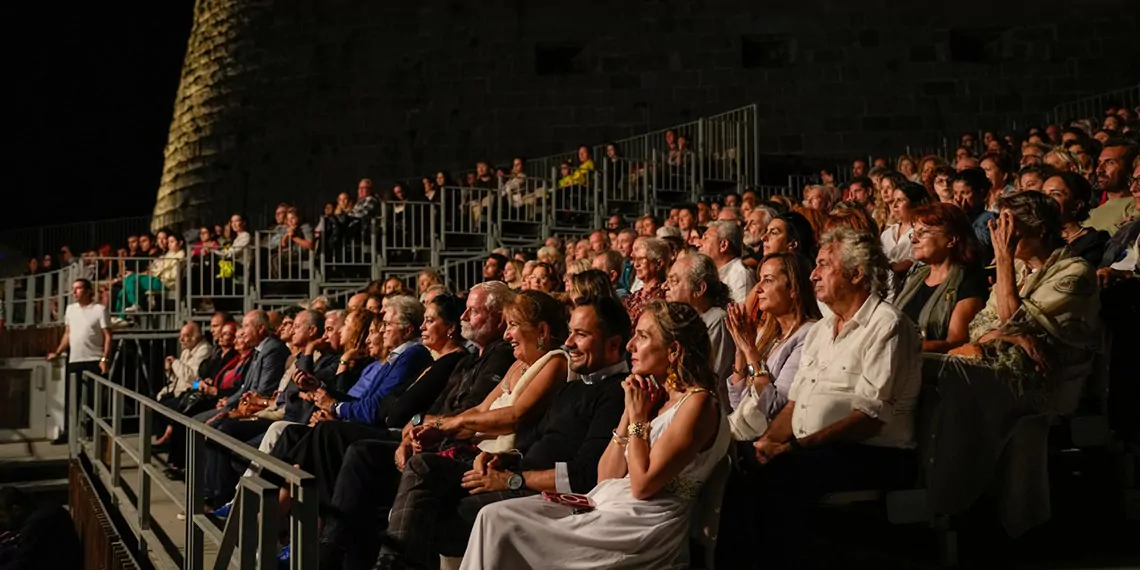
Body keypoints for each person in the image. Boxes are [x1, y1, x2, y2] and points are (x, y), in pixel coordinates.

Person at [360, 297, 631, 570]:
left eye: (581, 334)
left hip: (543, 494)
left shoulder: (616, 393)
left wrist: (512, 479)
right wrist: (503, 459)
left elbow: (587, 474)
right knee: (422, 466)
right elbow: (533, 440)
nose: (569, 342)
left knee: (429, 513)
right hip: (514, 472)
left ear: (613, 343)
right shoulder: (575, 386)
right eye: (571, 332)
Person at [460, 300, 730, 570]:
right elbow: (606, 476)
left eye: (643, 336)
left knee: (504, 525)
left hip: (642, 526)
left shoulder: (698, 404)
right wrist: (628, 416)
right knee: (492, 516)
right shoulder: (652, 398)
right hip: (608, 502)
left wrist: (637, 418)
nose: (630, 345)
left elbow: (643, 484)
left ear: (673, 350)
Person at [716, 228, 922, 569]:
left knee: (776, 475)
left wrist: (794, 447)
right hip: (814, 448)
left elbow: (869, 419)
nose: (813, 273)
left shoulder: (888, 326)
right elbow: (795, 404)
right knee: (733, 461)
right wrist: (765, 442)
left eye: (824, 265)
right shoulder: (823, 331)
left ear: (856, 274)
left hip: (873, 453)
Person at [926, 192, 1102, 536]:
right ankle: (941, 497)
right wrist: (1009, 335)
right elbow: (981, 326)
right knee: (923, 372)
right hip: (997, 367)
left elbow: (1010, 319)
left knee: (947, 377)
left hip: (1042, 382)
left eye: (1007, 225)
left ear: (1035, 228)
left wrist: (1003, 260)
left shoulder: (1076, 273)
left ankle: (951, 504)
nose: (997, 232)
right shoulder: (1020, 269)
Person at [724, 253, 819, 435]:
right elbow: (737, 404)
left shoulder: (808, 335)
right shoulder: (767, 335)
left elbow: (775, 407)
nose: (758, 288)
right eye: (760, 280)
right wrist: (740, 350)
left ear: (793, 288)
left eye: (767, 280)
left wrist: (750, 351)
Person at [892, 203, 987, 353]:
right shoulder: (914, 277)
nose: (913, 240)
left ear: (951, 239)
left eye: (922, 233)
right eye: (913, 234)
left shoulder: (968, 282)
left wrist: (903, 349)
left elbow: (956, 341)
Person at [45, 279, 111, 444]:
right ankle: (68, 431)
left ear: (88, 291)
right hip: (75, 358)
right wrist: (58, 351)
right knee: (71, 397)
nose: (74, 292)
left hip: (94, 358)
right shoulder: (70, 309)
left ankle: (92, 432)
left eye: (78, 288)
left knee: (93, 398)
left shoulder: (99, 309)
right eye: (73, 289)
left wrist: (104, 358)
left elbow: (108, 336)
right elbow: (68, 333)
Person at [664, 252, 735, 405]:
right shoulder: (680, 321)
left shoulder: (717, 319)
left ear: (700, 289)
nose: (665, 286)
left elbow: (708, 377)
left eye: (674, 281)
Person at [0, 486, 82, 570]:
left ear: (16, 510)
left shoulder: (38, 523)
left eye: (2, 516)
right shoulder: (40, 509)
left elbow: (21, 564)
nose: (1, 521)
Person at [1040, 171, 1109, 265]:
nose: (1046, 200)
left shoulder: (1093, 241)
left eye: (1055, 194)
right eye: (1043, 194)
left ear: (1077, 205)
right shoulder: (1042, 238)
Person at [881, 181, 932, 299]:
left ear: (915, 204)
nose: (894, 205)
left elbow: (913, 263)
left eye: (900, 200)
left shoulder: (923, 232)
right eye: (893, 200)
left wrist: (888, 267)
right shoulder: (887, 234)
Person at [700, 221, 756, 303]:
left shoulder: (741, 276)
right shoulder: (708, 272)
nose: (699, 243)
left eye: (706, 238)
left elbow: (742, 314)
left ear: (723, 245)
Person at [157, 322, 212, 400]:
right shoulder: (186, 351)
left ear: (196, 337)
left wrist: (175, 363)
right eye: (180, 336)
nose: (181, 339)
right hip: (178, 393)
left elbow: (193, 378)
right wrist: (169, 370)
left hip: (190, 393)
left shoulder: (205, 349)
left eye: (185, 336)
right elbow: (179, 378)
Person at [622, 237, 669, 325]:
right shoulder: (635, 296)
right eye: (635, 259)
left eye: (641, 260)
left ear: (658, 264)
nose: (636, 265)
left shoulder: (665, 295)